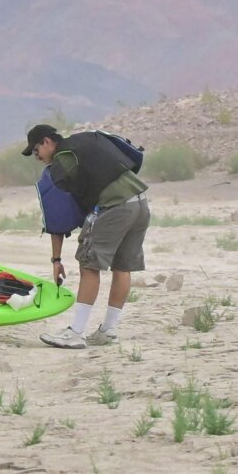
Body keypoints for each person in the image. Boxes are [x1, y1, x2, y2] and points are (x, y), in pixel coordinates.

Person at [23, 123, 151, 348]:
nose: (37, 158)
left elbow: (59, 216)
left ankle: (76, 333)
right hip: (139, 203)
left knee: (89, 264)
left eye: (35, 151)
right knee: (122, 267)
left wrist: (56, 259)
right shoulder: (85, 139)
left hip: (115, 207)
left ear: (47, 142)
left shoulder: (62, 161)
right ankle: (108, 331)